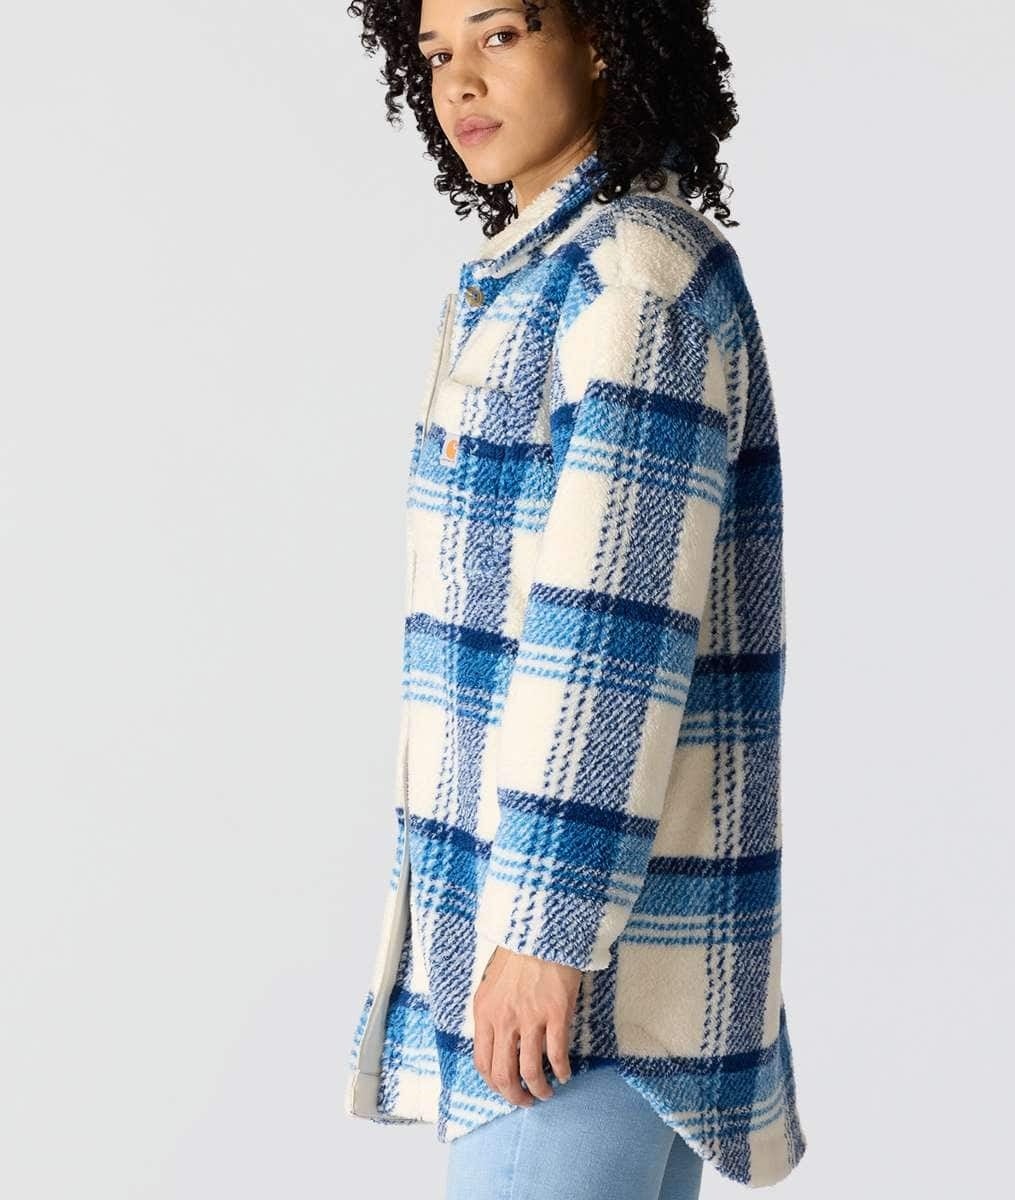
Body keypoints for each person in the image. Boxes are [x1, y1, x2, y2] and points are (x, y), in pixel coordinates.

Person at [343, 2, 807, 1195]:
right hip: (585, 972)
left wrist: (544, 936)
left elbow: (610, 631)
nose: (458, 81)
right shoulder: (546, 278)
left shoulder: (627, 281)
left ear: (600, 36)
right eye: (436, 55)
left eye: (499, 34)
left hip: (577, 991)